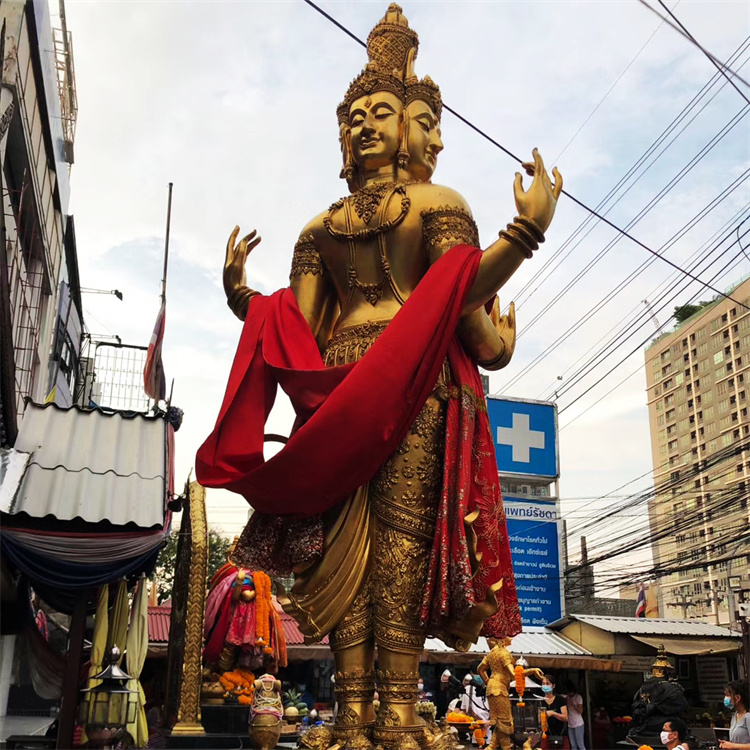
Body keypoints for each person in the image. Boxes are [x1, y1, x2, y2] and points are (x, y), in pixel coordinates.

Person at [197, 5, 562, 748]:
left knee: (398, 544)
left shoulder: (439, 206)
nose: (363, 126)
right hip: (337, 396)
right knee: (346, 553)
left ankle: (393, 711)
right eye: (353, 116)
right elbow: (297, 332)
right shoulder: (318, 228)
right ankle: (352, 710)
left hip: (414, 388)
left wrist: (514, 254)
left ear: (417, 127)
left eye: (382, 113)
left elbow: (458, 306)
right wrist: (524, 237)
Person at [477, 637, 543, 750]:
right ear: (501, 639)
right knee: (504, 722)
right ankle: (505, 747)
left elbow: (480, 669)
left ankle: (492, 746)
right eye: (508, 635)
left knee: (500, 722)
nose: (511, 638)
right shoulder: (503, 653)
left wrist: (489, 683)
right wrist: (531, 671)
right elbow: (513, 674)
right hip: (499, 690)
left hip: (493, 688)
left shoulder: (491, 653)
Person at [719, 679, 750, 750]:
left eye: (728, 695)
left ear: (738, 698)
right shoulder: (735, 715)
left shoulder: (748, 717)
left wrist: (733, 746)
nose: (726, 698)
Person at [541, 674, 569, 749]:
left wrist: (553, 713)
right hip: (546, 736)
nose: (545, 686)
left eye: (547, 683)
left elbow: (565, 718)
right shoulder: (540, 701)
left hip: (561, 735)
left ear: (553, 686)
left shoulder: (560, 700)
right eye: (543, 684)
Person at [565, 681, 585, 750]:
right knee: (573, 745)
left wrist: (572, 703)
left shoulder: (578, 697)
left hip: (578, 724)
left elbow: (581, 711)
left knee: (580, 745)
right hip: (570, 724)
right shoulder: (567, 698)